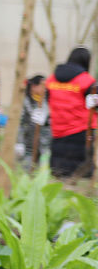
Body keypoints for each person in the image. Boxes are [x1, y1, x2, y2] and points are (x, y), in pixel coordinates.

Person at [46, 47, 98, 179]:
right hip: (81, 131)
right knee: (79, 175)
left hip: (58, 130)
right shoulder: (86, 81)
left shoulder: (51, 80)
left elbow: (48, 100)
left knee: (59, 172)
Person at [17, 75, 52, 171]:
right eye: (42, 86)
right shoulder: (25, 101)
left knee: (43, 168)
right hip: (28, 142)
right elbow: (20, 124)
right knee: (26, 168)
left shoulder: (48, 100)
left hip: (45, 143)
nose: (44, 89)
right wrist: (19, 142)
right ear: (33, 86)